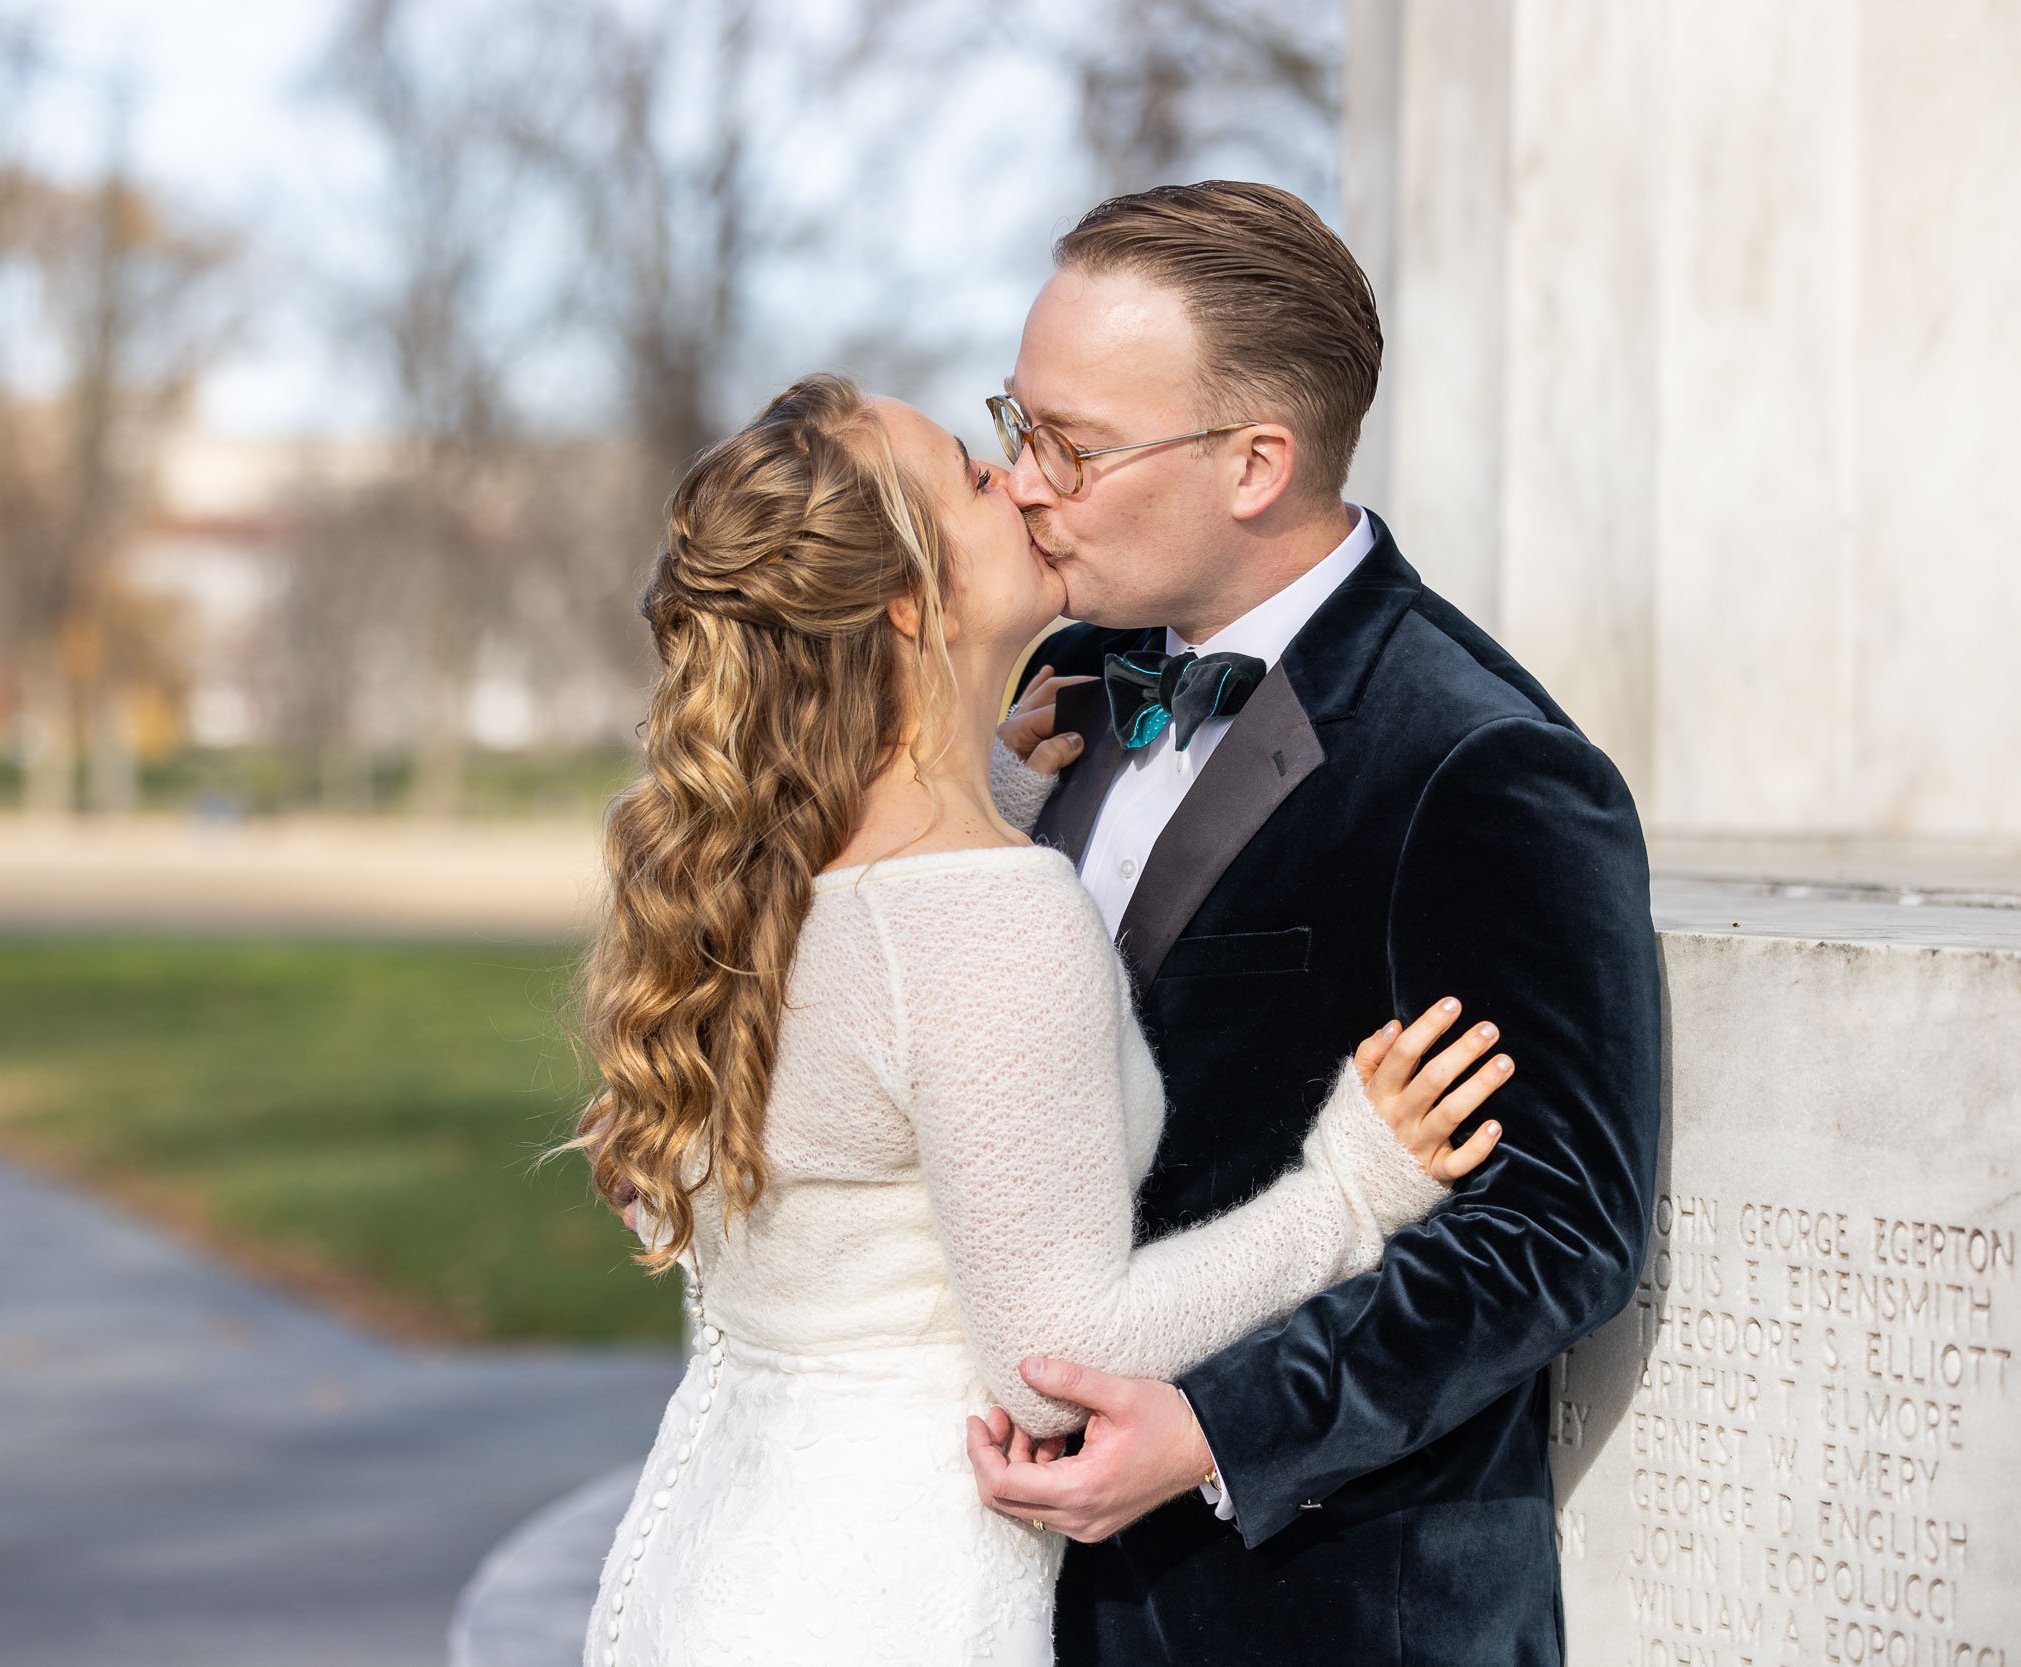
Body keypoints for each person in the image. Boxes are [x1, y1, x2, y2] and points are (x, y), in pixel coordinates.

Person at [573, 371, 1513, 1667]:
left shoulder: (756, 877)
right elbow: (1057, 1359)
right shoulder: (988, 917)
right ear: (909, 599)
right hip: (886, 1599)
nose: (1019, 480)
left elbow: (871, 1040)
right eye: (971, 474)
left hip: (699, 1574)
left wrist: (988, 782)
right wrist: (1347, 1195)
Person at [968, 181, 1661, 1664]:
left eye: (1070, 447)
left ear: (1255, 464)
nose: (1021, 481)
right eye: (1017, 423)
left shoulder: (1480, 763)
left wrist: (1217, 1429)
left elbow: (1556, 1229)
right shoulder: (1072, 680)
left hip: (1315, 1607)